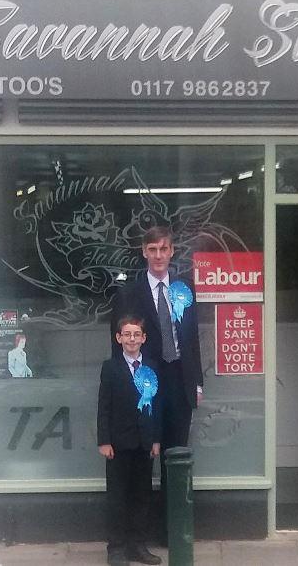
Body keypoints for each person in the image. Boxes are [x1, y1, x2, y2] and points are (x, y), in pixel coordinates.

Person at [110, 226, 203, 542]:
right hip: (145, 383)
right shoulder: (129, 294)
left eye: (164, 249)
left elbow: (192, 338)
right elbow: (119, 344)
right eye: (152, 250)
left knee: (175, 456)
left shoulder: (183, 288)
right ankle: (140, 533)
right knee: (144, 455)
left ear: (172, 251)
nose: (159, 255)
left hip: (180, 380)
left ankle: (172, 531)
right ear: (144, 252)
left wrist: (197, 382)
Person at [97, 316, 162, 565]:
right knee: (118, 497)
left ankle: (138, 546)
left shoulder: (152, 367)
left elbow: (157, 406)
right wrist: (104, 441)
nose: (132, 339)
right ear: (119, 338)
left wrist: (156, 439)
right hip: (118, 444)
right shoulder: (110, 367)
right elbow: (103, 406)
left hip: (144, 443)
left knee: (141, 496)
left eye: (137, 334)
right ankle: (116, 548)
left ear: (144, 338)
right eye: (127, 334)